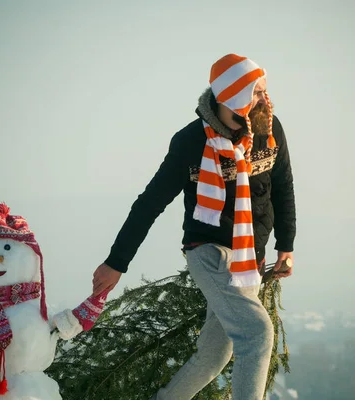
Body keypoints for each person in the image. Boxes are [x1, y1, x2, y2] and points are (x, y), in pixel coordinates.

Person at [92, 53, 296, 400]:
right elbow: (150, 203)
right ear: (233, 97)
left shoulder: (269, 130)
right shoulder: (191, 142)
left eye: (264, 90)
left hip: (250, 258)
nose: (265, 99)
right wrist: (116, 262)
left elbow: (283, 184)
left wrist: (285, 244)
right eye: (256, 92)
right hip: (210, 252)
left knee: (216, 354)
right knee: (257, 332)